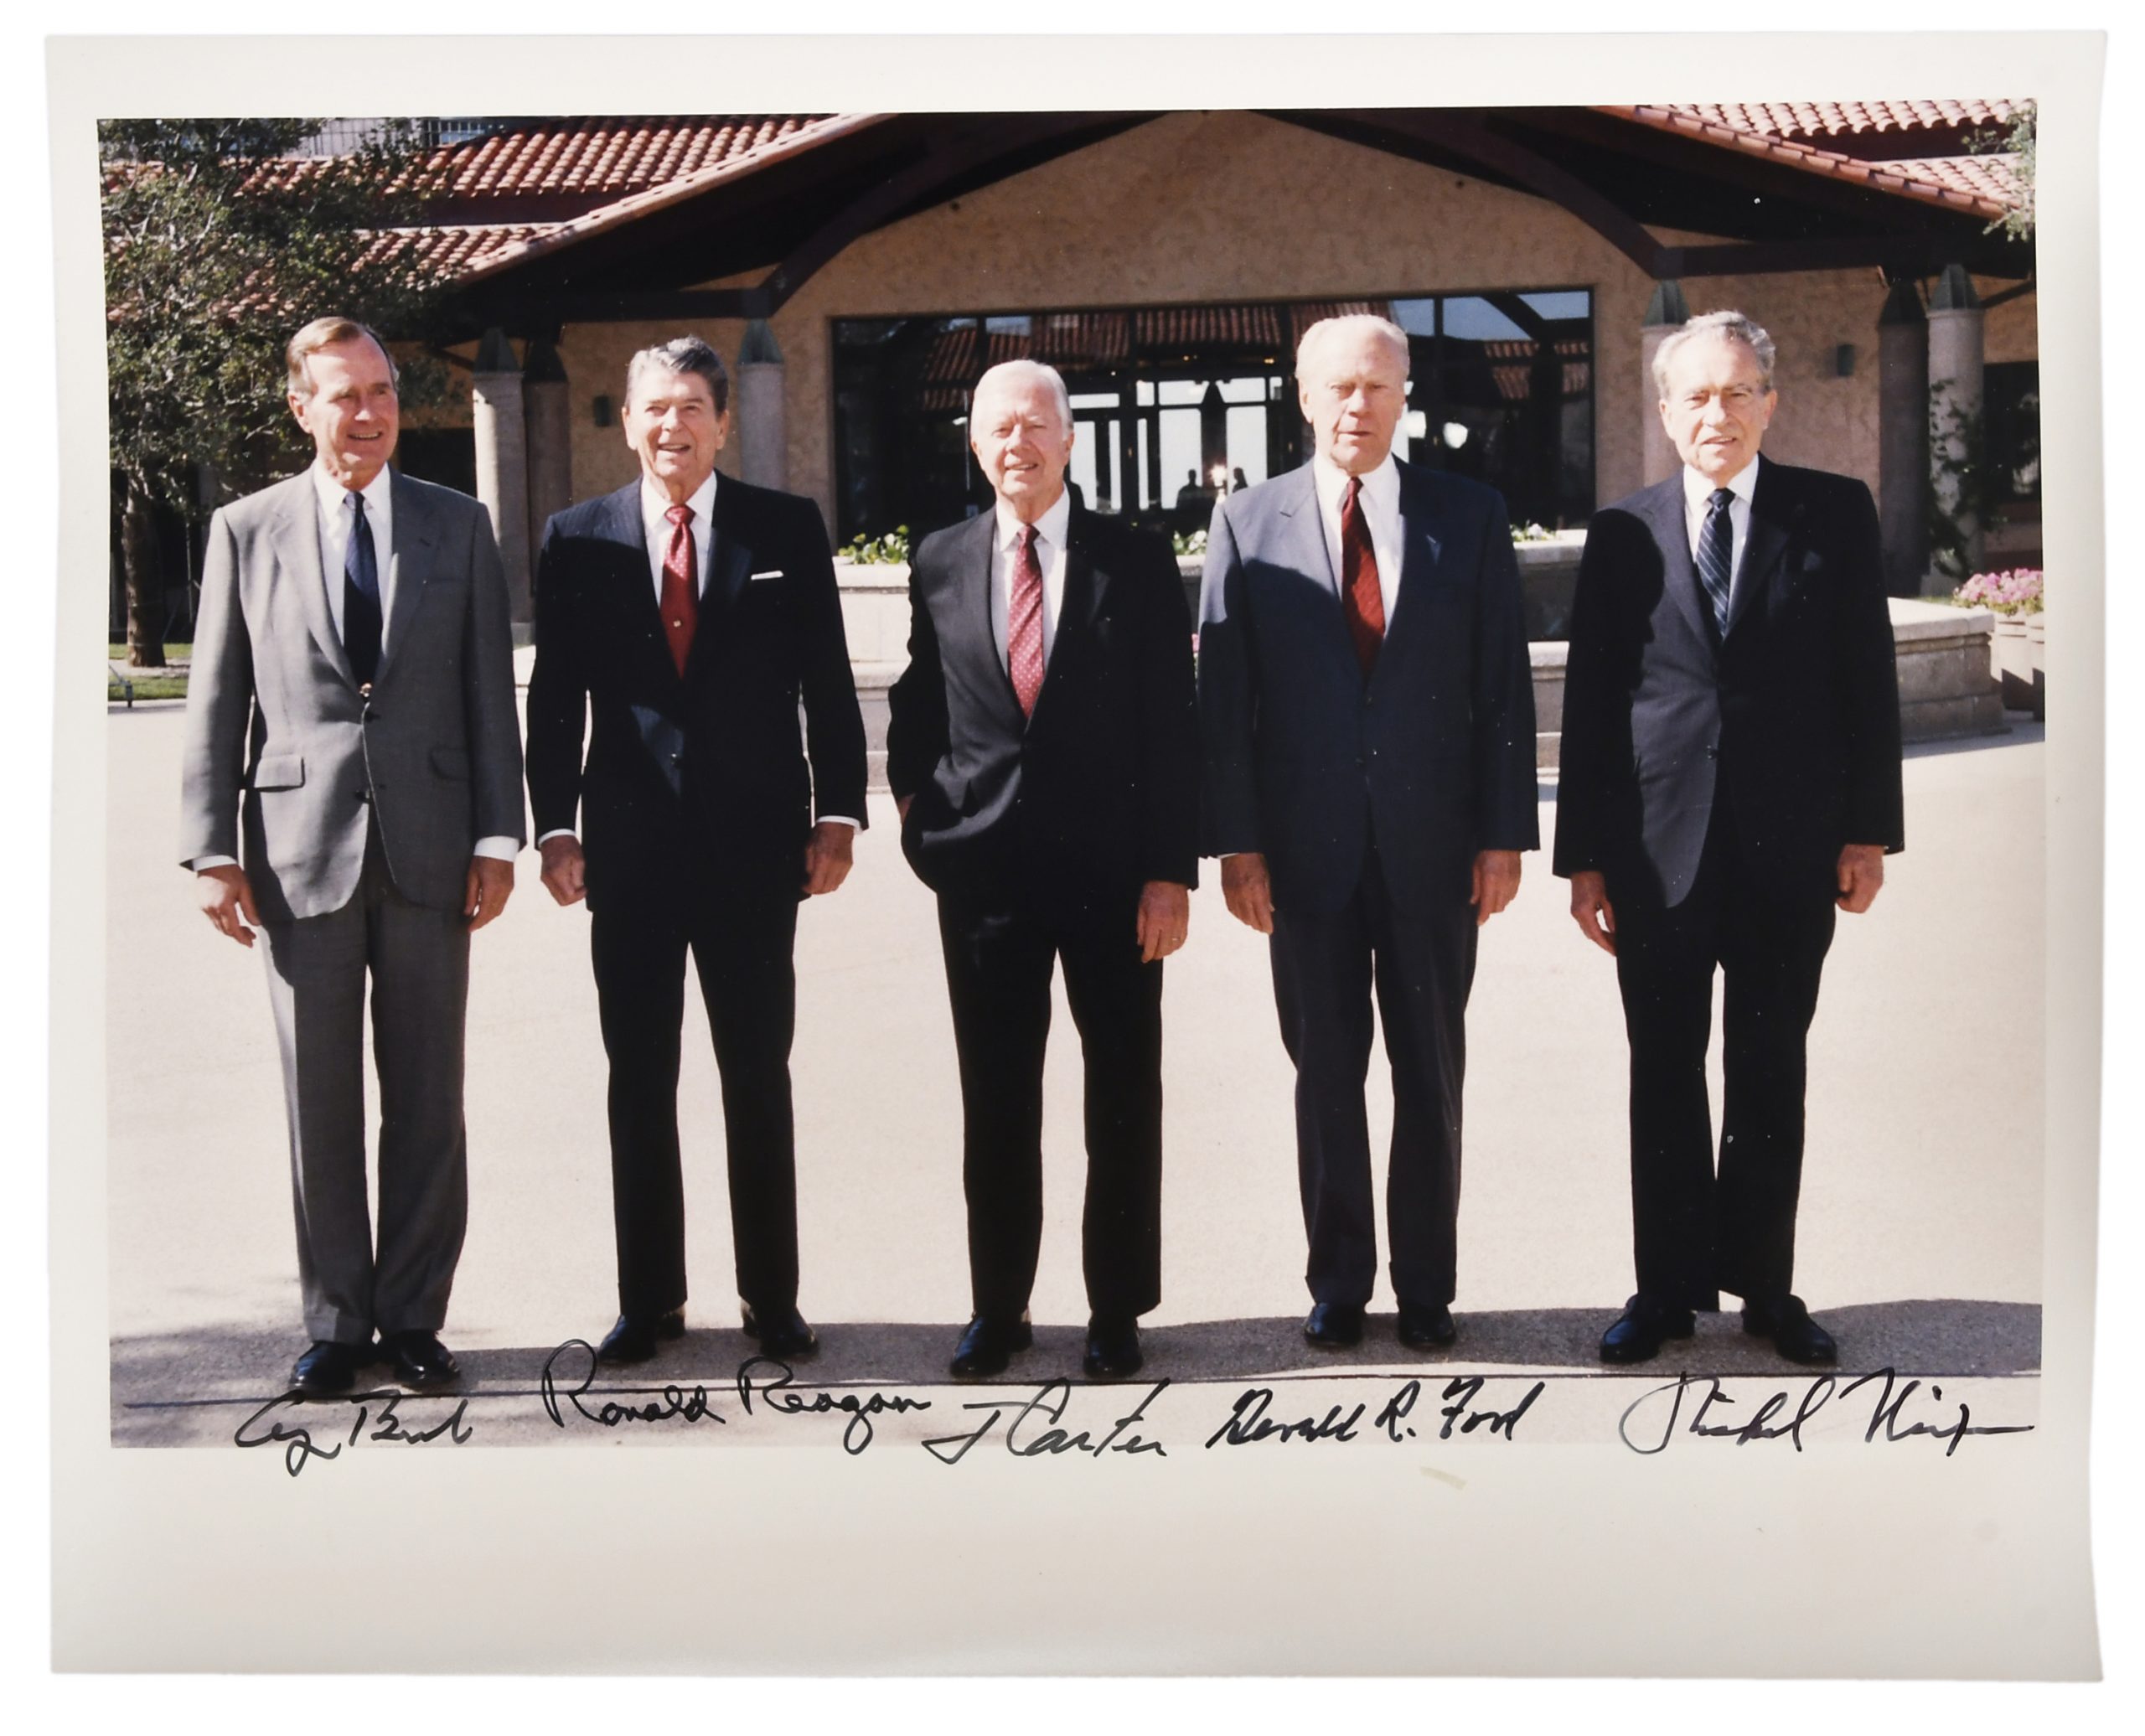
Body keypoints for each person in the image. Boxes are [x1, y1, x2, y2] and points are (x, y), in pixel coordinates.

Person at [178, 316, 525, 1396]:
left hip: (431, 851)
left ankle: (415, 1315)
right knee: (318, 1100)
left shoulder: (457, 523)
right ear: (301, 406)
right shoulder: (247, 528)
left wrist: (495, 835)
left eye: (380, 392)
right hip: (296, 853)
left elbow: (484, 693)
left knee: (428, 1093)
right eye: (344, 395)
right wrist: (210, 849)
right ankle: (335, 1321)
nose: (368, 413)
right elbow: (216, 696)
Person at [1553, 309, 1904, 1367]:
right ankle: (1662, 1290)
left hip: (1789, 848)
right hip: (1658, 852)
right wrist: (1584, 861)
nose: (1719, 412)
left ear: (1771, 402)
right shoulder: (1623, 531)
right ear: (1664, 412)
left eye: (1738, 391)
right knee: (1661, 1067)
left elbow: (1867, 680)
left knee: (1767, 1067)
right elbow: (1592, 705)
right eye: (1696, 395)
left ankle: (1766, 1289)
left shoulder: (1831, 514)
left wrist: (1866, 834)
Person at [1197, 314, 1538, 1352]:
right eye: (1338, 387)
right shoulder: (1246, 524)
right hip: (1305, 857)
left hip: (1436, 852)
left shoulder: (1467, 515)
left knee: (1430, 1073)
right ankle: (1339, 1280)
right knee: (1326, 1071)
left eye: (1378, 388)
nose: (1358, 406)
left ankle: (1427, 1285)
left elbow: (1501, 686)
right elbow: (1225, 703)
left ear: (1404, 396)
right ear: (1302, 396)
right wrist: (1237, 846)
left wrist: (1502, 834)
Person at [524, 336, 866, 1367]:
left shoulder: (782, 529)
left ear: (722, 421)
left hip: (757, 850)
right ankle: (651, 1299)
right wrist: (554, 827)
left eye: (691, 409)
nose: (671, 427)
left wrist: (840, 811)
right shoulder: (574, 537)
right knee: (640, 1078)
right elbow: (553, 701)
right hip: (627, 853)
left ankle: (772, 1297)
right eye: (653, 410)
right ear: (627, 423)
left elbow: (828, 682)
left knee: (756, 1073)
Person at [887, 359, 1198, 1382]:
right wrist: (922, 821)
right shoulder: (938, 558)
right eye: (995, 429)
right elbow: (916, 707)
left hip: (1114, 881)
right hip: (984, 879)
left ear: (1070, 439)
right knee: (997, 1098)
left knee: (1121, 1093)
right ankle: (998, 1305)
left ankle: (1116, 1308)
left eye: (1035, 426)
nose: (1016, 444)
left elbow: (1170, 724)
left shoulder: (1135, 559)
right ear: (973, 445)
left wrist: (1168, 872)